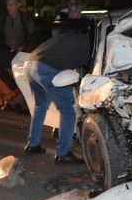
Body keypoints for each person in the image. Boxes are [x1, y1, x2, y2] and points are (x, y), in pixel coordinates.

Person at [22, 33, 90, 164]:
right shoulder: (91, 45)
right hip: (46, 68)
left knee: (40, 106)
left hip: (29, 63)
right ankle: (63, 154)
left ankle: (33, 145)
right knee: (68, 111)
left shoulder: (70, 36)